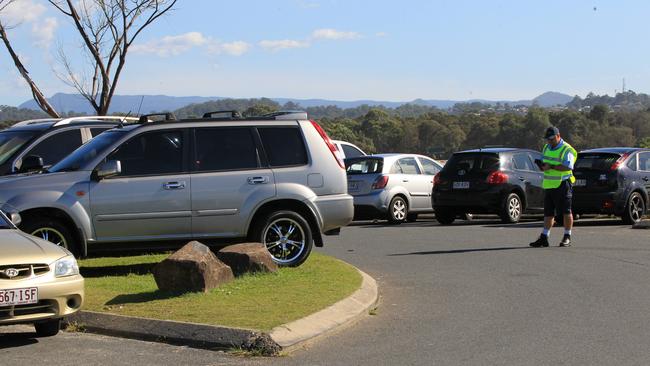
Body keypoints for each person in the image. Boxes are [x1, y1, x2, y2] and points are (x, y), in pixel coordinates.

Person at [529, 126, 577, 248]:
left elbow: (568, 166)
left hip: (563, 183)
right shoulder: (546, 147)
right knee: (548, 213)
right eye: (548, 139)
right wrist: (542, 165)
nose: (549, 141)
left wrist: (551, 167)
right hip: (549, 184)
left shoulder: (567, 149)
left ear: (558, 136)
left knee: (566, 211)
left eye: (551, 138)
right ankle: (544, 237)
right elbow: (545, 162)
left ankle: (567, 236)